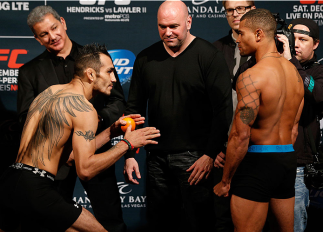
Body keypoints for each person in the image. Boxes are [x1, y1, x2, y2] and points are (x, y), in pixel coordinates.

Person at [0, 44, 161, 231]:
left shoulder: (49, 93)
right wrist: (127, 143)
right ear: (91, 74)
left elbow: (69, 159)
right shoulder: (83, 108)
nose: (114, 79)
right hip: (37, 187)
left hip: (10, 181)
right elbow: (85, 170)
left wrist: (110, 132)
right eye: (109, 72)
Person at [123, 1, 233, 231]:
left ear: (189, 22)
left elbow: (223, 111)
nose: (168, 32)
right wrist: (130, 153)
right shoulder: (145, 58)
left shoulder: (209, 56)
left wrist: (209, 154)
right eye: (162, 26)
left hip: (197, 159)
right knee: (161, 223)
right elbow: (134, 110)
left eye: (174, 26)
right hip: (157, 159)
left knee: (200, 222)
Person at [17, 6, 127, 231]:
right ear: (37, 39)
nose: (52, 36)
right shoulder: (30, 71)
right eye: (44, 34)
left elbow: (117, 101)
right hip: (54, 164)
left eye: (54, 28)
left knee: (110, 220)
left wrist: (99, 122)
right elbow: (26, 118)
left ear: (63, 23)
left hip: (94, 150)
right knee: (56, 224)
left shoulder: (96, 59)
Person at [214, 9, 304, 232]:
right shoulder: (295, 75)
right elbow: (293, 132)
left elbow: (240, 135)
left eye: (241, 34)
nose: (237, 40)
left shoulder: (252, 77)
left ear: (258, 34)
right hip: (286, 161)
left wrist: (226, 181)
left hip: (257, 163)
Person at [276, 18, 323, 232]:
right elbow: (238, 79)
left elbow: (314, 92)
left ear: (315, 44)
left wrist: (290, 62)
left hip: (298, 165)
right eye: (293, 38)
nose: (295, 44)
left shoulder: (318, 72)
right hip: (267, 158)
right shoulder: (275, 63)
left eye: (303, 39)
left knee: (293, 226)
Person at [212, 1, 255, 230]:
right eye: (230, 10)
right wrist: (216, 148)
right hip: (223, 152)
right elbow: (206, 106)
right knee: (223, 221)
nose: (236, 14)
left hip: (258, 152)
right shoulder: (215, 49)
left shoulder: (270, 51)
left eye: (242, 8)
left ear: (253, 8)